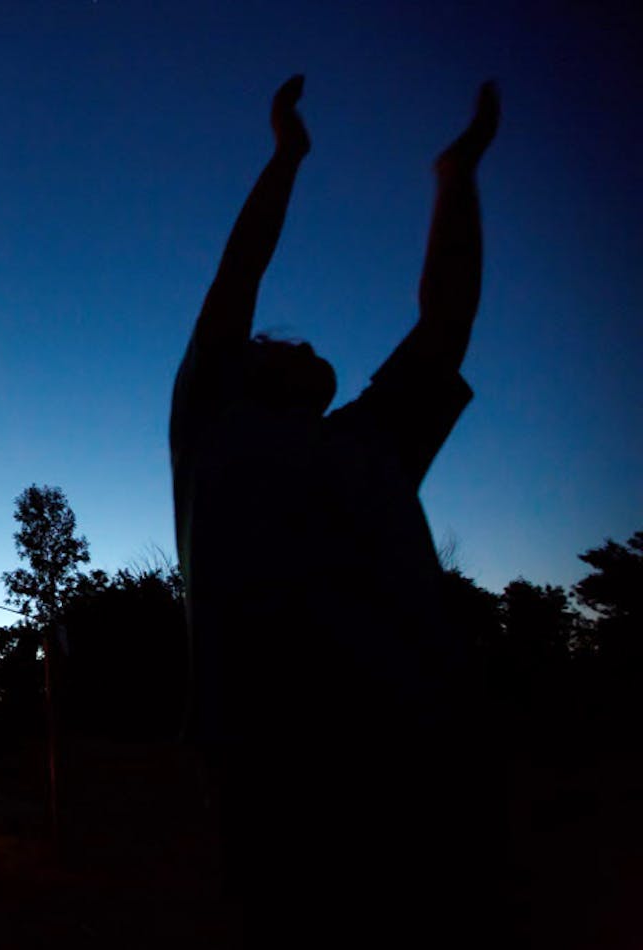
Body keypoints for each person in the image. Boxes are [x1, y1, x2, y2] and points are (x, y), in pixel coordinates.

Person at [171, 76, 501, 945]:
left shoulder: (374, 437)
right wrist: (287, 157)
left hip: (418, 749)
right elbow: (237, 275)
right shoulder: (212, 422)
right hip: (269, 760)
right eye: (284, 346)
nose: (311, 345)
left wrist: (456, 176)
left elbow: (447, 318)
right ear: (248, 368)